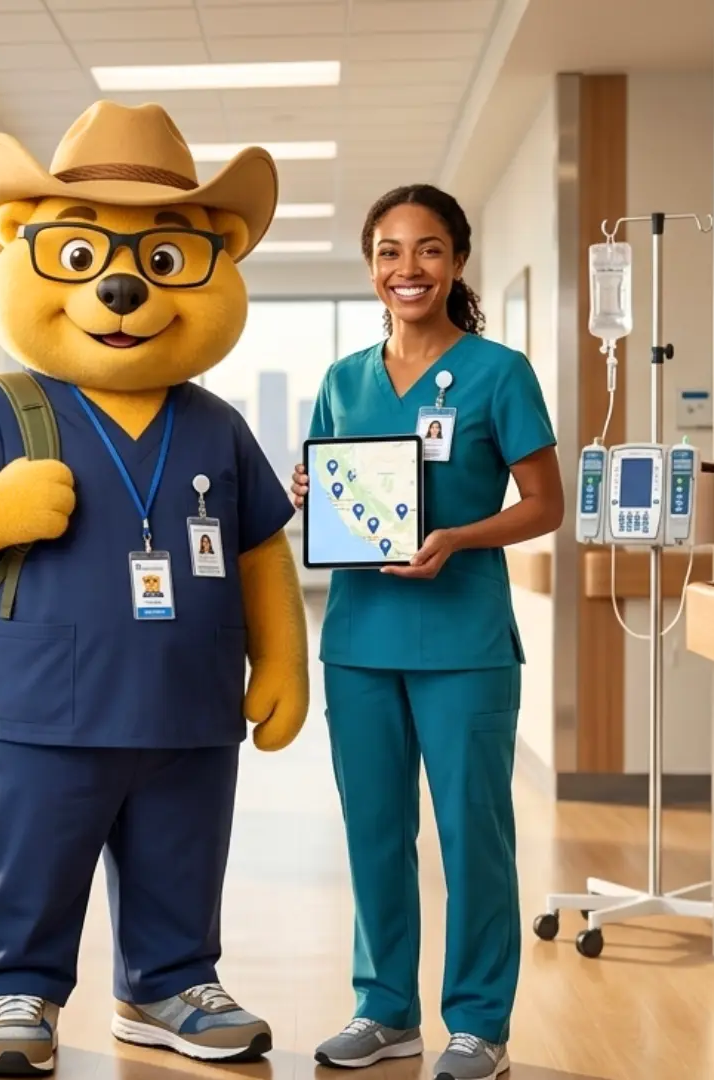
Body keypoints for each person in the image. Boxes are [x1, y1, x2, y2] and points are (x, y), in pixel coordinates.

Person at [289, 184, 563, 1080]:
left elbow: (543, 504)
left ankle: (479, 1023)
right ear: (371, 267)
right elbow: (337, 489)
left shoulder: (497, 371)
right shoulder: (342, 380)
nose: (407, 269)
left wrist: (456, 537)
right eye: (389, 252)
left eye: (428, 250)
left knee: (470, 834)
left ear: (455, 262)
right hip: (358, 640)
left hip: (463, 645)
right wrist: (311, 497)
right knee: (373, 830)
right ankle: (384, 1010)